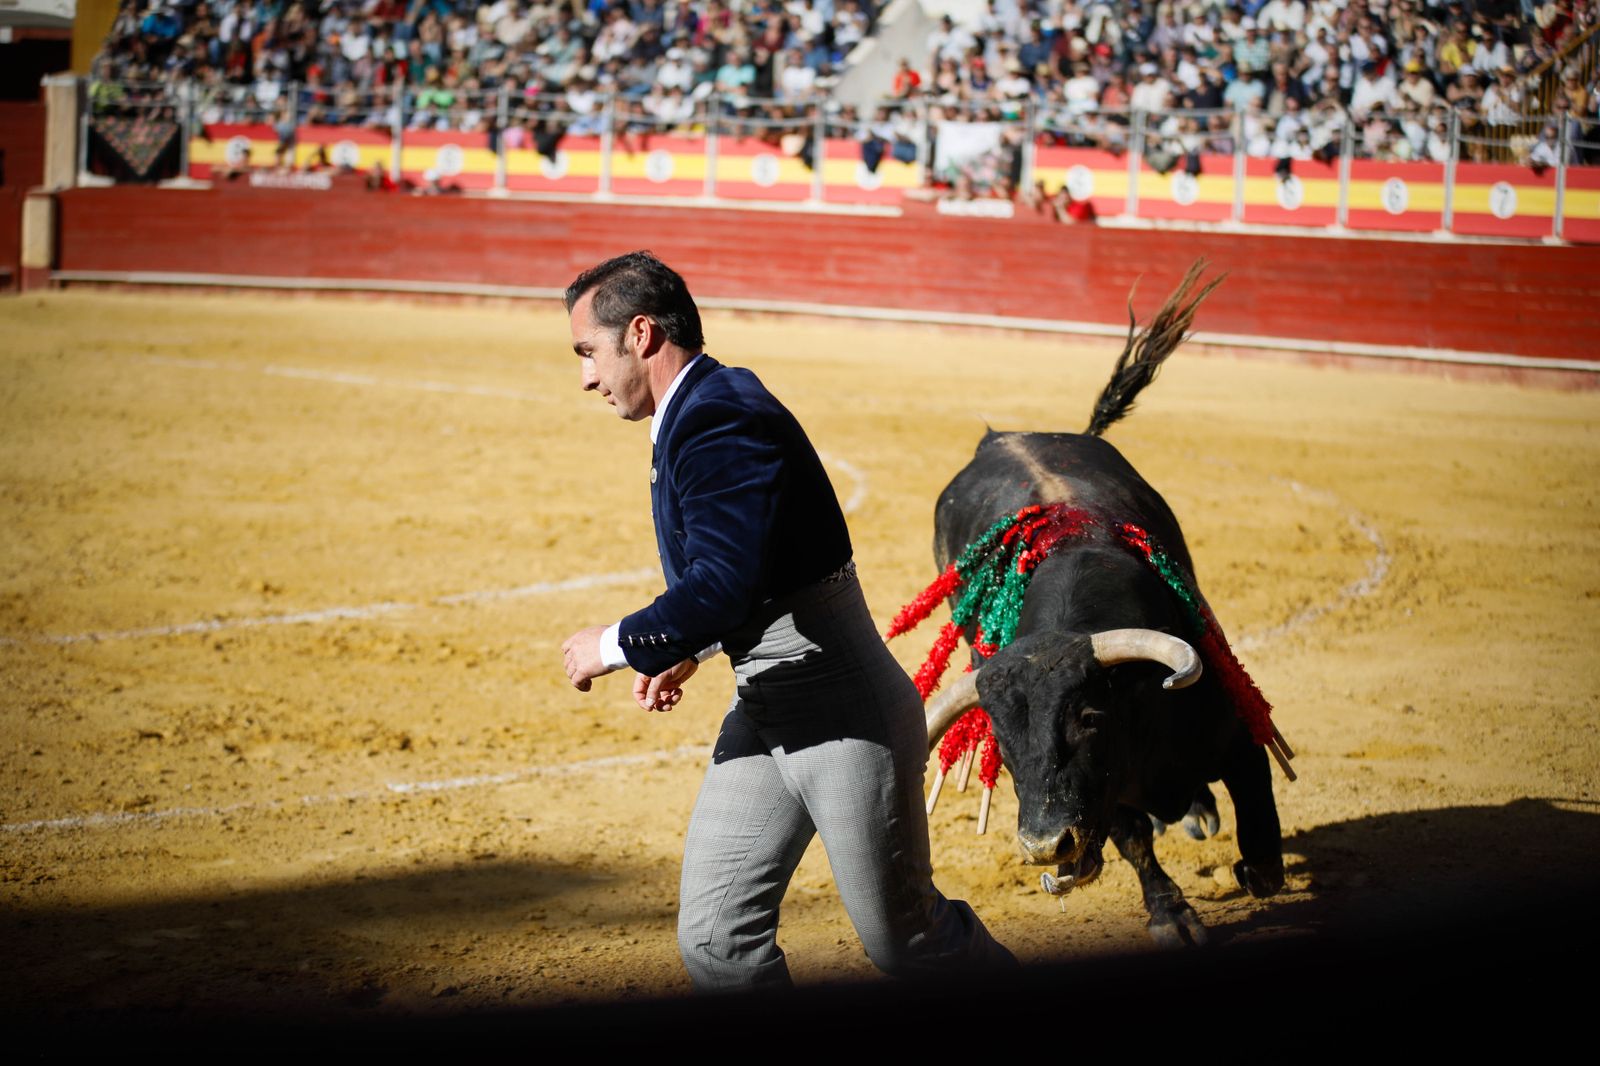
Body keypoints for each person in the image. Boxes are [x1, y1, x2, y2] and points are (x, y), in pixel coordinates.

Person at [559, 252, 1015, 992]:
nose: (585, 377)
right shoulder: (708, 405)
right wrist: (699, 647)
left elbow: (722, 579)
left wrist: (613, 646)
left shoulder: (717, 417)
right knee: (716, 939)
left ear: (640, 334)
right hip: (770, 701)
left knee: (909, 943)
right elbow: (757, 566)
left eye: (589, 352)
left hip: (843, 710)